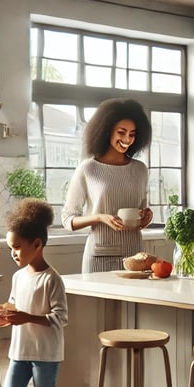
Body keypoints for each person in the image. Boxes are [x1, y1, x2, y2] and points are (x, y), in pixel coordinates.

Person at [0, 198, 69, 387]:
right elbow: (15, 306)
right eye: (11, 247)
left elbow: (60, 317)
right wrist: (3, 313)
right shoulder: (18, 277)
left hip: (46, 354)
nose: (13, 253)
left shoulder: (52, 280)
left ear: (37, 244)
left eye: (16, 247)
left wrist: (27, 317)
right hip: (20, 351)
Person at [61, 98, 154, 272]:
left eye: (132, 134)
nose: (127, 139)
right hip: (99, 256)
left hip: (135, 257)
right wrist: (99, 217)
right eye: (121, 132)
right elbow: (68, 220)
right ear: (106, 131)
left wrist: (147, 216)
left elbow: (140, 211)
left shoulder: (140, 169)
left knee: (132, 300)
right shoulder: (88, 168)